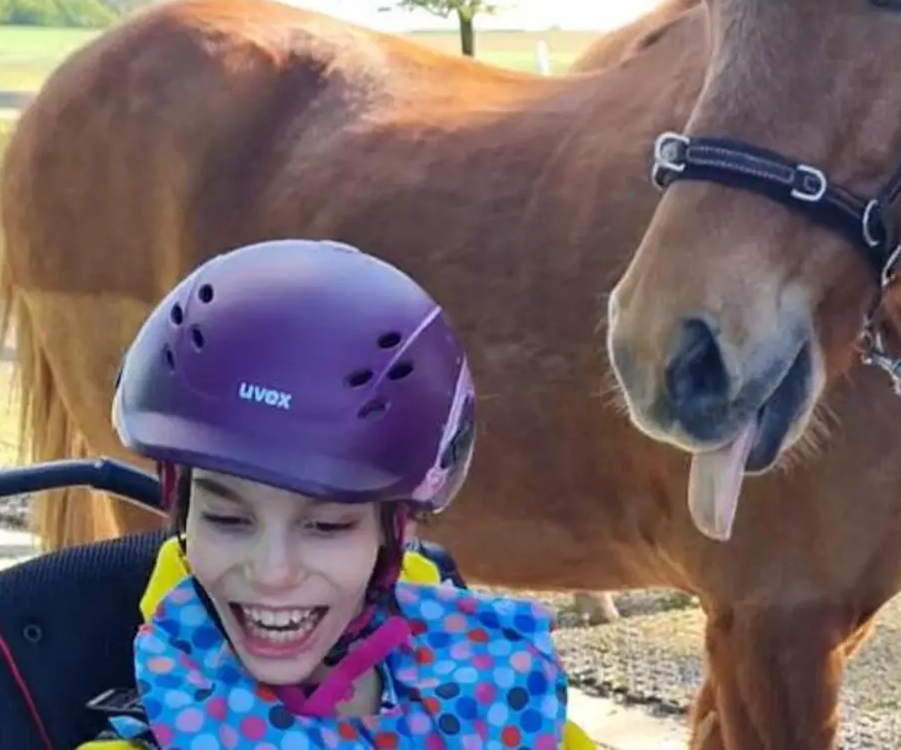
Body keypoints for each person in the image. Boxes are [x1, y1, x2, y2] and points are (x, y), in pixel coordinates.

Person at [86, 238, 583, 749]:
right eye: (226, 518)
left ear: (397, 528)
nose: (272, 574)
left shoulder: (494, 695)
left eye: (326, 526)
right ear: (184, 509)